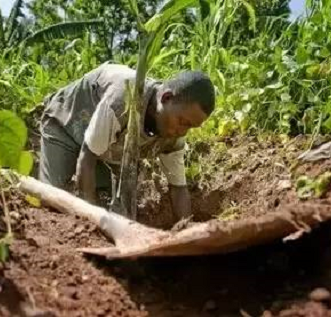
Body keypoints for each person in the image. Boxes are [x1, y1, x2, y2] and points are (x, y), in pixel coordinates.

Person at [37, 62, 215, 221]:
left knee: (107, 206)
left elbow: (178, 188)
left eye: (190, 127)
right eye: (182, 122)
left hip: (104, 148)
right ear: (166, 98)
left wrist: (186, 227)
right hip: (66, 125)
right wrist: (92, 225)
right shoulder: (123, 99)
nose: (182, 131)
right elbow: (87, 158)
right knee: (53, 201)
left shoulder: (174, 134)